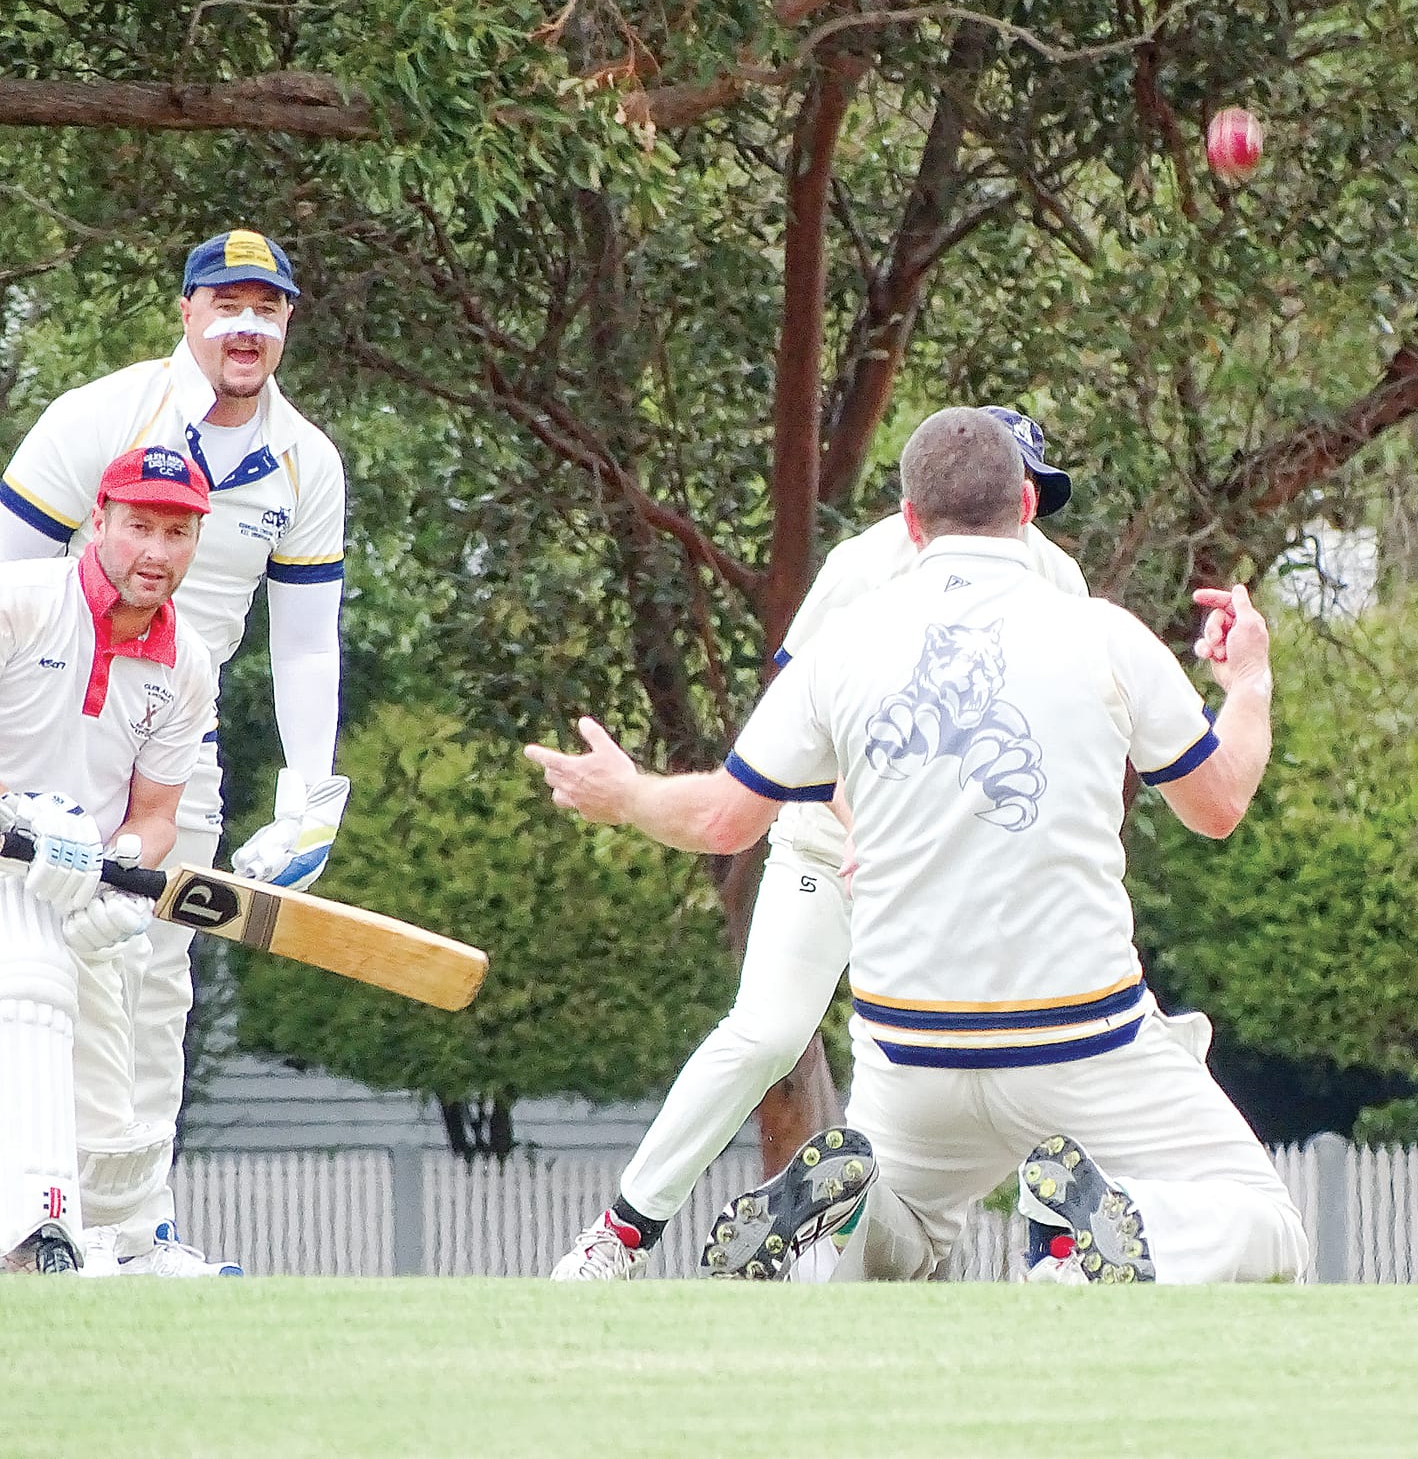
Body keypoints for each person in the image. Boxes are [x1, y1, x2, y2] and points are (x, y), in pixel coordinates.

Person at [529, 407, 1306, 1284]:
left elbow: (723, 821)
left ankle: (852, 1222)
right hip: (1074, 1042)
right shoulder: (1104, 631)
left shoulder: (847, 643)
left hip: (912, 1054)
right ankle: (1109, 1229)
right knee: (1269, 1225)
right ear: (1024, 502)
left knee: (905, 1228)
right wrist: (1248, 681)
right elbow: (1219, 804)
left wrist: (628, 794)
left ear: (910, 516)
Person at [546, 407, 1084, 1279]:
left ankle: (1052, 1251)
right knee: (765, 1033)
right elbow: (804, 722)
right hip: (826, 845)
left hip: (970, 870)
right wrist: (872, 826)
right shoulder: (866, 567)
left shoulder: (1056, 582)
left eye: (1023, 494)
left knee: (1053, 1020)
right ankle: (619, 1236)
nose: (1009, 509)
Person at [0, 229, 348, 1275]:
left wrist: (307, 795)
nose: (246, 325)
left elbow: (305, 636)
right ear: (187, 311)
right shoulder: (101, 416)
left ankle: (133, 1230)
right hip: (47, 720)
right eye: (226, 303)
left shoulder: (306, 461)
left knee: (152, 980)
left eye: (268, 307)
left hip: (173, 725)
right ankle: (40, 1214)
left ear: (287, 323)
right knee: (36, 981)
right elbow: (16, 584)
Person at [0, 447, 218, 1274]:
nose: (155, 552)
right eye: (138, 527)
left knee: (108, 1111)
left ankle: (99, 1250)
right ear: (100, 523)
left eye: (176, 532)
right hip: (10, 864)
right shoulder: (21, 601)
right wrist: (26, 824)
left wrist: (117, 869)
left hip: (71, 886)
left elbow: (157, 815)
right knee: (22, 1000)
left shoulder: (187, 664)